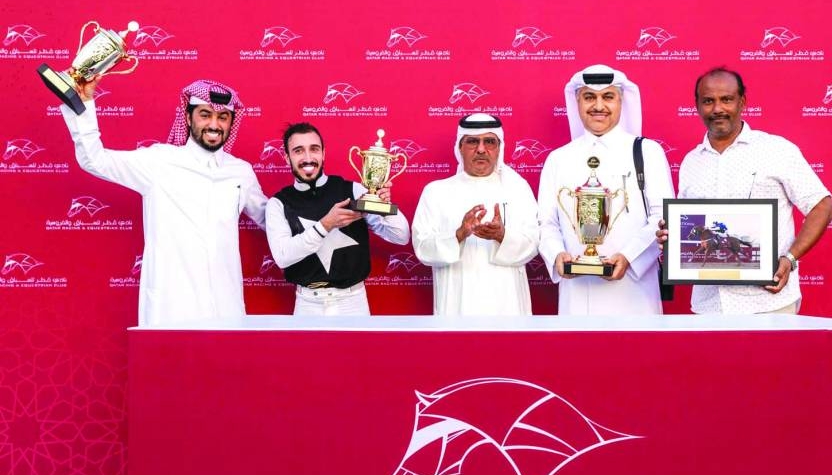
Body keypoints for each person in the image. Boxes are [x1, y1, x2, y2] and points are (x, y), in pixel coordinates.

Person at [61, 77, 268, 326]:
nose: (214, 124)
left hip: (226, 305)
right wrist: (83, 102)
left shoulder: (241, 172)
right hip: (171, 307)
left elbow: (270, 219)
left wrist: (312, 222)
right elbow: (95, 160)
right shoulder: (159, 162)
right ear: (188, 117)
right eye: (205, 115)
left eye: (223, 117)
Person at [668, 67, 832, 314]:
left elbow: (822, 206)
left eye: (726, 99)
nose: (717, 109)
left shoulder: (777, 149)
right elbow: (690, 225)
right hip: (709, 306)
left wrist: (790, 258)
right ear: (697, 106)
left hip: (768, 303)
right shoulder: (692, 162)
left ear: (742, 102)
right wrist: (672, 237)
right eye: (708, 101)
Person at [538, 65, 674, 315]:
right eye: (589, 97)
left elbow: (663, 219)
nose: (598, 106)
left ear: (621, 101)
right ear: (577, 102)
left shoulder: (647, 152)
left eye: (608, 97)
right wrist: (556, 253)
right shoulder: (558, 159)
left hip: (634, 292)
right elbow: (546, 223)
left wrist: (628, 257)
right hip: (576, 294)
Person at [265, 122, 410, 316]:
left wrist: (384, 207)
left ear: (323, 153)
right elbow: (283, 257)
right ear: (287, 157)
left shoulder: (354, 190)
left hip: (353, 303)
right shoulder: (278, 203)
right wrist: (326, 224)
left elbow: (401, 236)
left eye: (314, 149)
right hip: (307, 305)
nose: (308, 158)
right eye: (298, 151)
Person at [411, 114, 539, 315]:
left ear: (499, 148)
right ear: (460, 147)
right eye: (472, 141)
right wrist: (459, 235)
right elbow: (422, 248)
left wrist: (502, 236)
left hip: (507, 304)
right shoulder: (436, 192)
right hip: (456, 303)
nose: (481, 149)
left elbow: (533, 243)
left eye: (489, 142)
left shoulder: (517, 189)